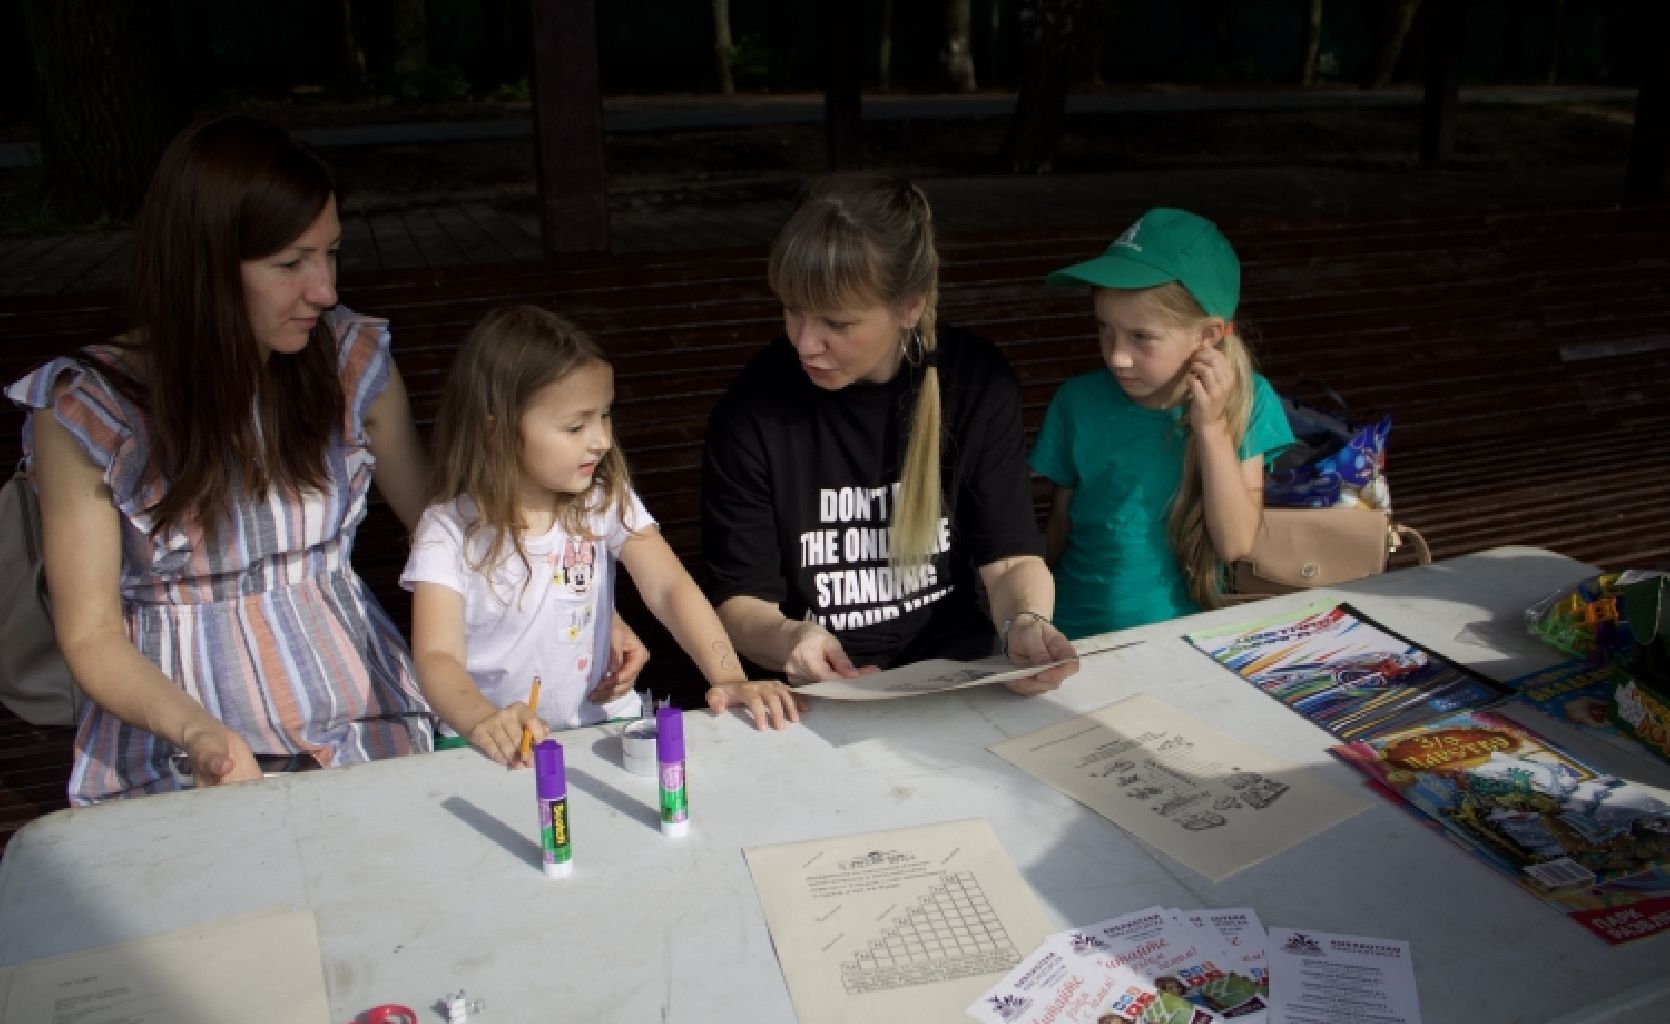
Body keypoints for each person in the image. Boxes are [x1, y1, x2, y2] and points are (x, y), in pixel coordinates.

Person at [7, 115, 440, 802]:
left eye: (330, 254)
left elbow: (444, 536)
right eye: (291, 264)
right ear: (204, 267)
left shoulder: (349, 363)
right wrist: (199, 733)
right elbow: (88, 633)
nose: (324, 290)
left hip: (362, 717)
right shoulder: (88, 410)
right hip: (177, 740)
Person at [700, 174, 1078, 697]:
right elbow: (742, 602)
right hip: (821, 697)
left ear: (910, 306)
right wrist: (790, 638)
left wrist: (1026, 625)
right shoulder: (753, 412)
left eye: (836, 323)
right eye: (791, 311)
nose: (806, 343)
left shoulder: (973, 383)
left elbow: (1010, 558)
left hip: (960, 675)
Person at [401, 305, 801, 756]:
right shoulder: (447, 532)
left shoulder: (603, 498)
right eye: (575, 425)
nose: (602, 440)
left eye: (605, 415)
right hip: (491, 743)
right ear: (496, 433)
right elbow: (437, 656)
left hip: (603, 727)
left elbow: (668, 587)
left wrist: (728, 678)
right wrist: (483, 720)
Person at [1029, 207, 1295, 636]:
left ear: (1208, 336)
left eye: (1142, 337)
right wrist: (1028, 617)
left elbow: (1234, 543)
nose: (1116, 355)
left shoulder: (1249, 401)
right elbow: (1059, 526)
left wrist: (1210, 429)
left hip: (1181, 642)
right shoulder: (1077, 401)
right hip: (1072, 635)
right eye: (1105, 329)